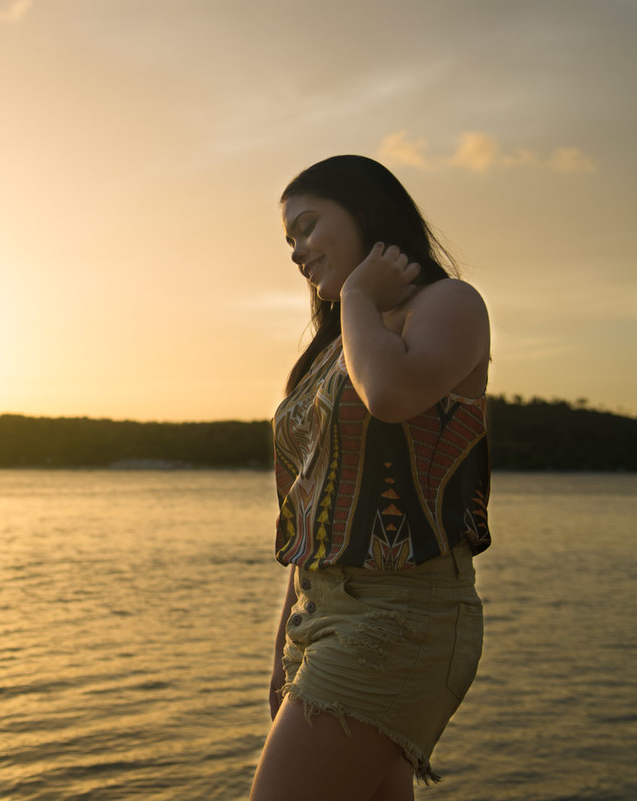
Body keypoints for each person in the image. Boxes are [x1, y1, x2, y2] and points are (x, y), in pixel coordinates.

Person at [248, 155, 492, 801]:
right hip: (319, 614)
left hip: (402, 616)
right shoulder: (331, 349)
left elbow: (389, 393)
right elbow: (308, 507)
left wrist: (358, 292)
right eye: (289, 240)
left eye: (307, 226)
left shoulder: (449, 303)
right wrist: (280, 655)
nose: (297, 251)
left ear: (366, 211)